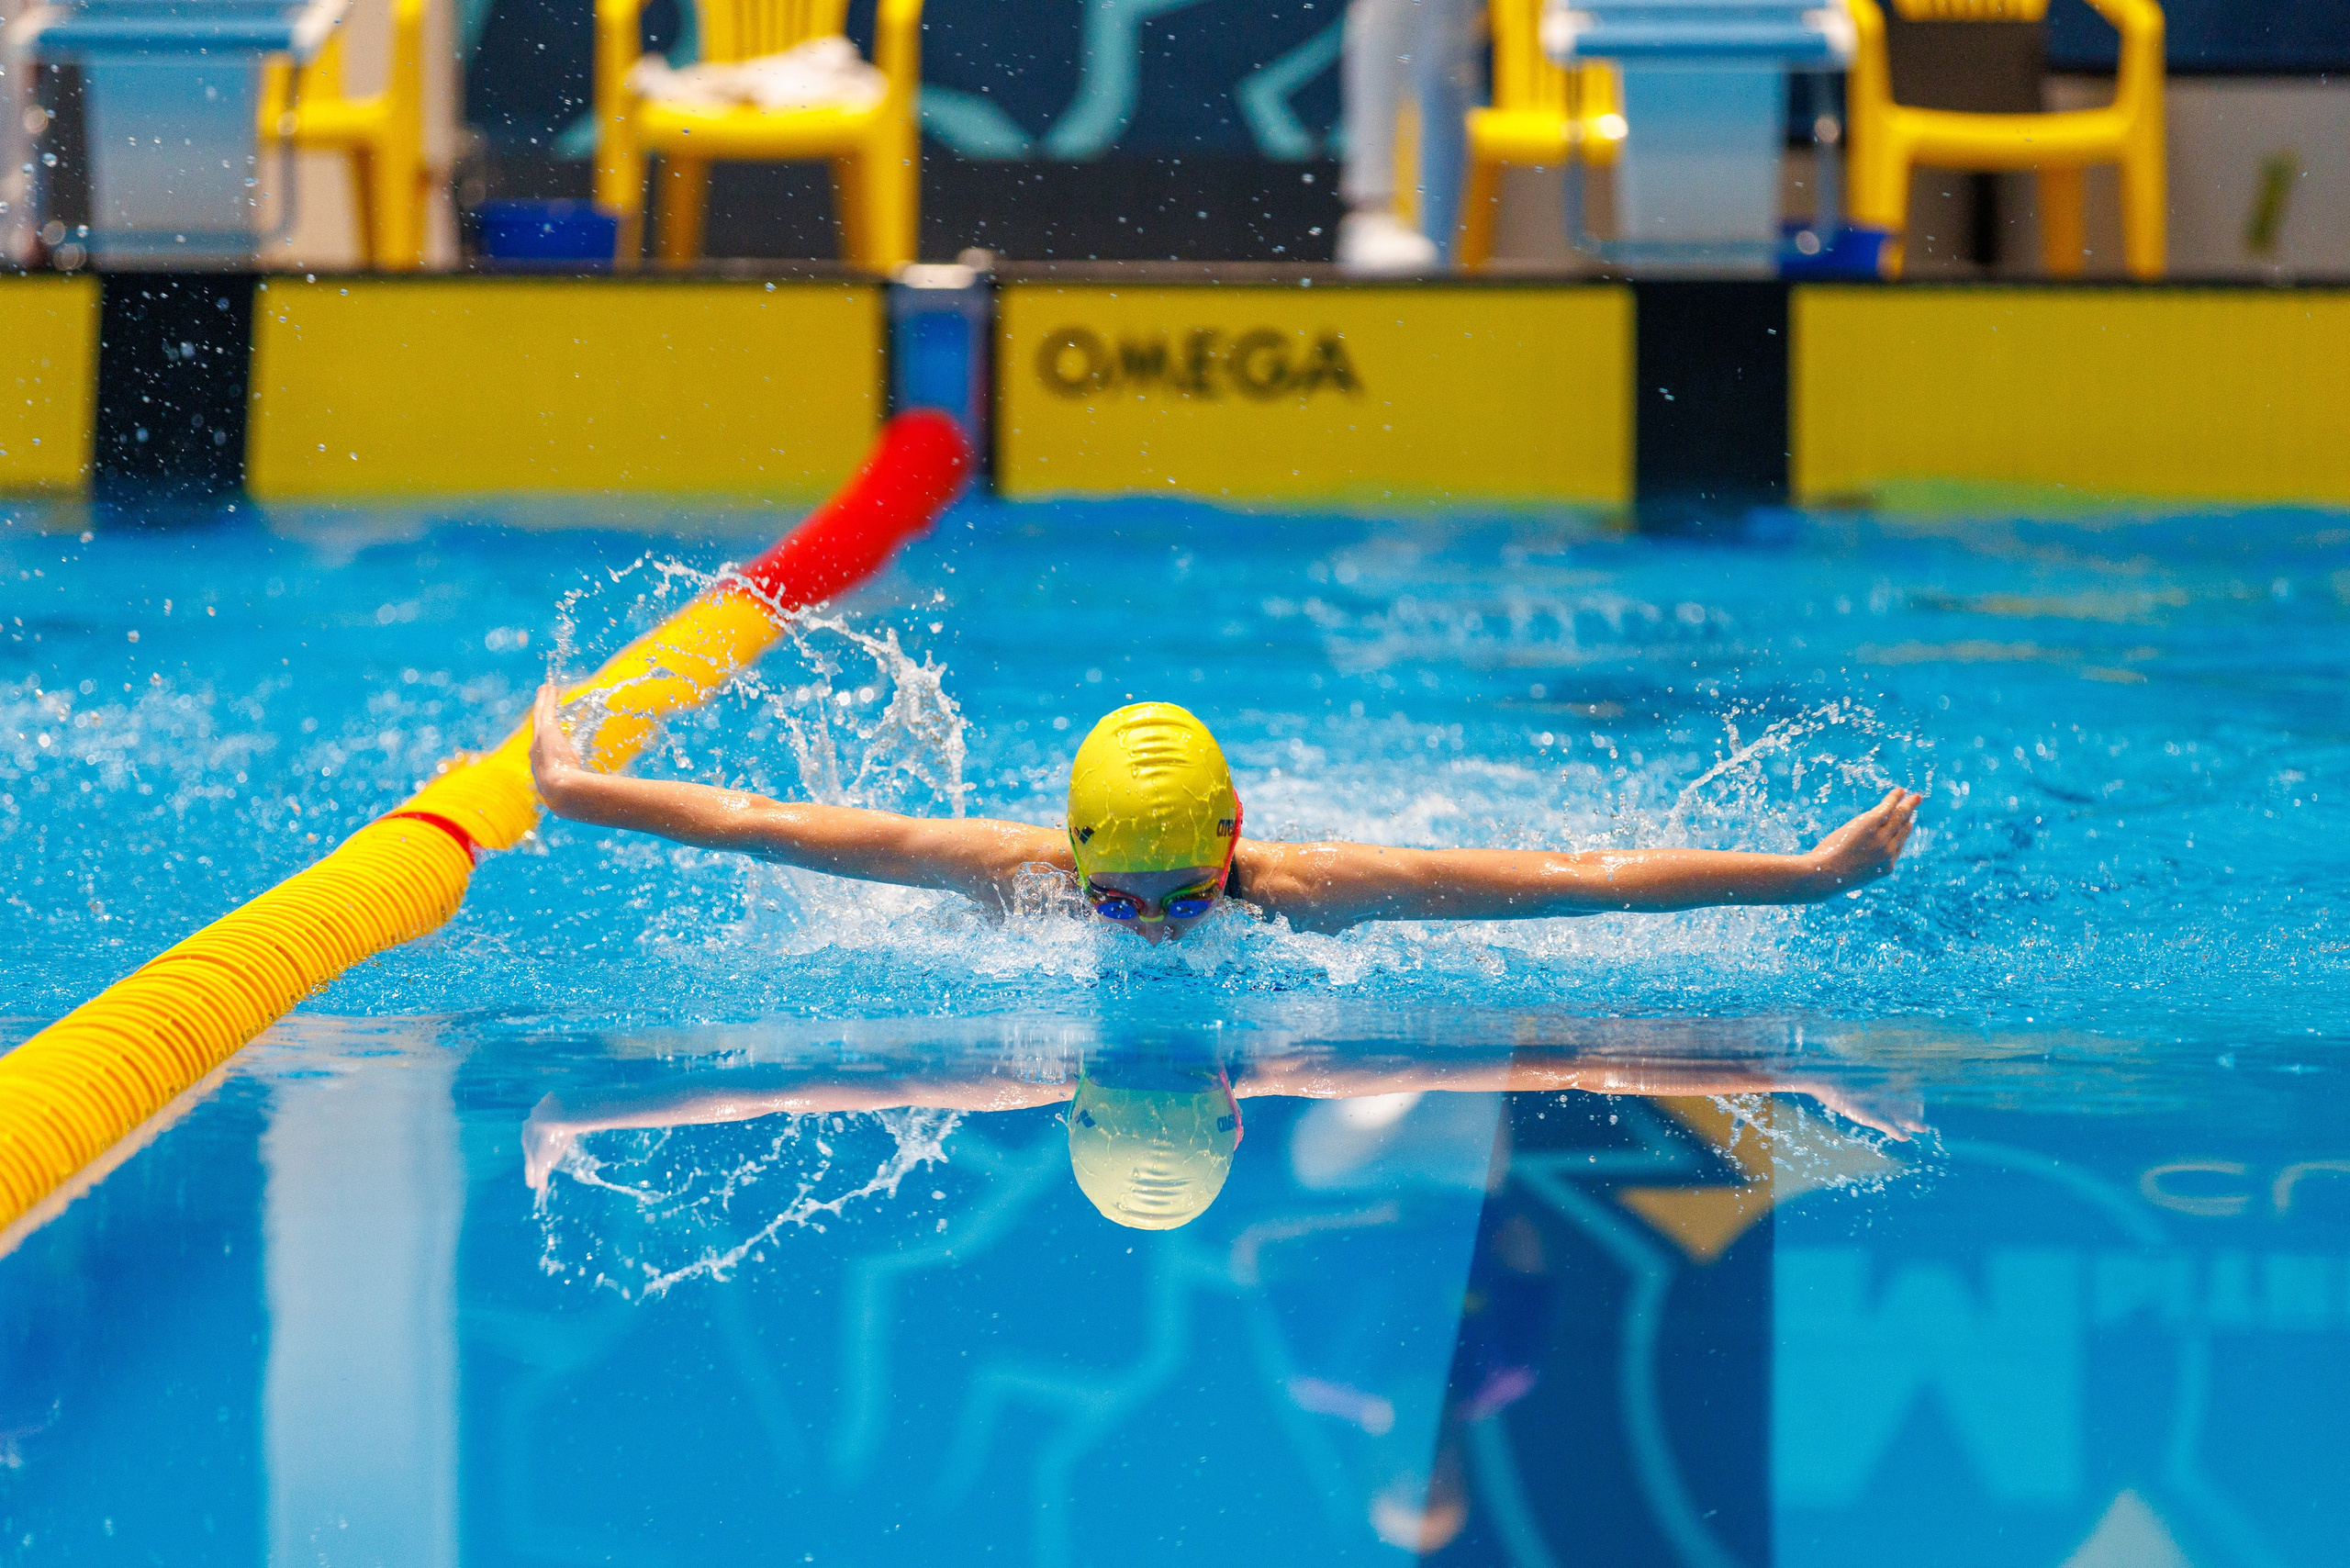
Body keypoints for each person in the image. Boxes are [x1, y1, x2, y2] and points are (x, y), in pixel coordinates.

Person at [526, 687, 1923, 946]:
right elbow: (763, 820)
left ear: (1234, 846)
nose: (1145, 930)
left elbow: (1581, 878)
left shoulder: (1316, 889)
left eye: (1182, 898)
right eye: (1120, 902)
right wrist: (578, 790)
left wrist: (1805, 876)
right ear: (1075, 860)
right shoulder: (1016, 879)